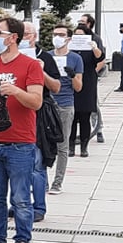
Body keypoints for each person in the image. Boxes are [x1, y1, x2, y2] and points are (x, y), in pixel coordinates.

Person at [0, 17, 43, 243]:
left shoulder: (31, 65)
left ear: (13, 38)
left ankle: (22, 242)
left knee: (20, 198)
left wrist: (15, 90)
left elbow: (36, 102)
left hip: (20, 141)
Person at [21, 22, 60, 224]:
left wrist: (40, 71)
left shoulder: (45, 57)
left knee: (37, 164)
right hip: (16, 114)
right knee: (17, 166)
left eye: (27, 34)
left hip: (38, 115)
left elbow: (56, 87)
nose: (23, 38)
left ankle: (38, 207)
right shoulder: (10, 57)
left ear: (34, 36)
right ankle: (19, 204)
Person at [48, 25, 83, 195]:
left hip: (65, 104)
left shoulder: (75, 58)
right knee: (42, 143)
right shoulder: (47, 56)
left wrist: (72, 75)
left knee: (62, 145)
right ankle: (41, 181)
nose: (57, 37)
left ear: (68, 38)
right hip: (47, 104)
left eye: (61, 35)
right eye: (55, 34)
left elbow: (78, 87)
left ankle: (58, 182)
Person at [70, 23, 105, 158]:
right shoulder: (71, 49)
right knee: (72, 118)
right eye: (76, 35)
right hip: (73, 84)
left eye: (81, 35)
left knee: (85, 117)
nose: (78, 37)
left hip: (87, 84)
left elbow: (100, 58)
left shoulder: (90, 48)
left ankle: (84, 147)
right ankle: (71, 146)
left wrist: (94, 47)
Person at [78, 15, 106, 143]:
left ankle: (98, 128)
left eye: (83, 22)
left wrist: (94, 72)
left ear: (89, 24)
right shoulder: (75, 38)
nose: (80, 23)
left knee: (93, 104)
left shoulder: (95, 39)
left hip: (89, 76)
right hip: (76, 76)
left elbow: (101, 58)